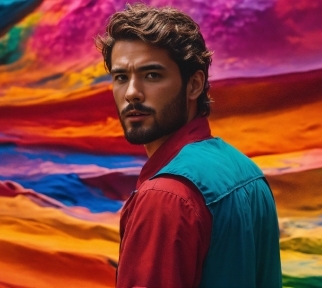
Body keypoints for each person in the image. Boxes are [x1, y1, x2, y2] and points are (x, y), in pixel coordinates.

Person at [96, 3, 282, 288]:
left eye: (152, 75)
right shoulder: (247, 172)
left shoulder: (165, 196)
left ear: (194, 85)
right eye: (121, 77)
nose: (132, 92)